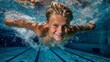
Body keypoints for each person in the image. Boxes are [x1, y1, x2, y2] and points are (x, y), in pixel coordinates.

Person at [5, 2, 95, 46]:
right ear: (47, 23)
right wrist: (6, 21)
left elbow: (85, 27)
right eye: (55, 25)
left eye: (65, 26)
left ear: (69, 24)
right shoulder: (40, 30)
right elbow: (21, 23)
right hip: (41, 42)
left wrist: (91, 26)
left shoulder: (72, 31)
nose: (60, 31)